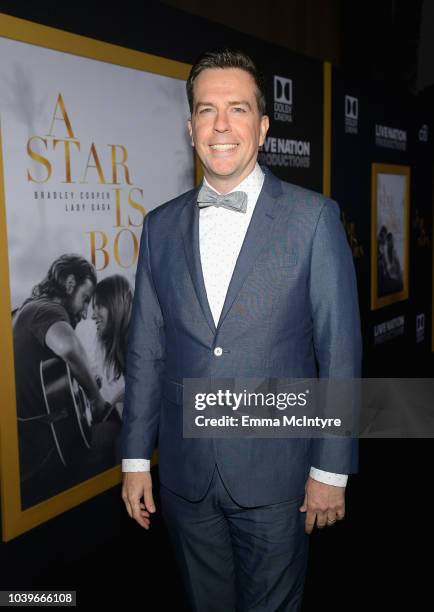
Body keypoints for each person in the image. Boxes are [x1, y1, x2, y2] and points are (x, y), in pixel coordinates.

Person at [121, 49, 361, 611]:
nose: (222, 125)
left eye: (238, 109)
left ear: (263, 125)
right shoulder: (159, 227)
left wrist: (332, 469)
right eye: (207, 110)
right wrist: (136, 460)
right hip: (185, 478)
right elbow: (146, 351)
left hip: (279, 479)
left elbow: (340, 352)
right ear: (191, 127)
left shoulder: (314, 219)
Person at [13, 253, 109, 509]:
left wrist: (80, 384)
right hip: (46, 458)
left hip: (37, 455)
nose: (86, 313)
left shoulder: (27, 310)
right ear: (69, 284)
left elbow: (51, 383)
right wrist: (95, 399)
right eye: (85, 300)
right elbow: (68, 348)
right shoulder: (46, 309)